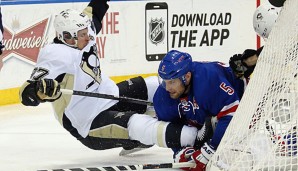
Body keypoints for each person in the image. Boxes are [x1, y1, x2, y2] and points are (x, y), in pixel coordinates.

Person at [19, 0, 207, 156]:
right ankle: (196, 136)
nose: (89, 37)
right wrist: (40, 91)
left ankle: (204, 99)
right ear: (67, 37)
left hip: (110, 95)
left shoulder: (83, 30)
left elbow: (96, 10)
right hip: (88, 122)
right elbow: (25, 94)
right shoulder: (54, 55)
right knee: (139, 125)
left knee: (153, 84)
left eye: (87, 31)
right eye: (83, 35)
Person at [152, 49, 248, 170]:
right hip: (206, 114)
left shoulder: (207, 81)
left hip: (245, 100)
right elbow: (171, 129)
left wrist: (211, 148)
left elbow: (231, 112)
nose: (167, 88)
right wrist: (180, 151)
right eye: (164, 81)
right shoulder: (162, 97)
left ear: (186, 77)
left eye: (171, 82)